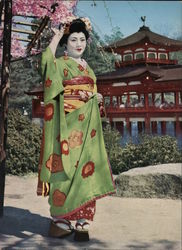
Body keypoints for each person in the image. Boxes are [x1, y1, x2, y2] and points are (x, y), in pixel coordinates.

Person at [37, 17, 115, 241]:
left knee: (87, 169)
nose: (78, 43)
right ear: (66, 42)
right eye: (73, 39)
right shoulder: (59, 64)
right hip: (68, 125)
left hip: (88, 127)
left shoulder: (88, 68)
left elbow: (92, 93)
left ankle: (82, 219)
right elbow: (45, 63)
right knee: (65, 166)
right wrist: (56, 35)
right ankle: (60, 219)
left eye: (82, 39)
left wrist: (97, 98)